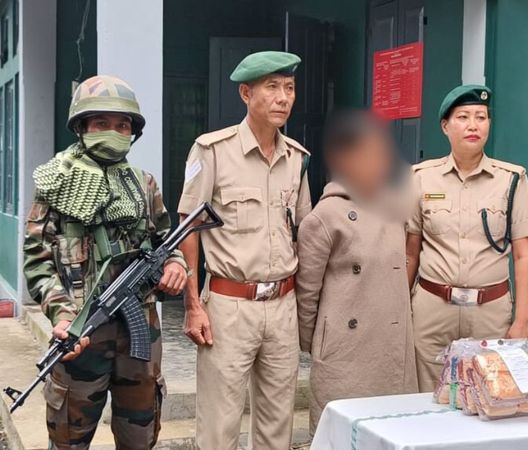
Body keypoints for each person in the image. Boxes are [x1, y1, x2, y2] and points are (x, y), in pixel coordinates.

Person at [22, 75, 188, 449]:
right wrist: (62, 314)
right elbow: (37, 259)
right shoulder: (55, 184)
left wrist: (176, 265)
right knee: (68, 439)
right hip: (80, 333)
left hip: (139, 335)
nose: (114, 132)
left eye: (122, 125)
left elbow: (166, 241)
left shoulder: (144, 185)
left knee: (139, 438)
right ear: (81, 127)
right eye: (101, 123)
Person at [177, 51, 311, 450]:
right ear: (246, 93)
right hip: (228, 306)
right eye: (272, 87)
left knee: (277, 423)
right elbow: (188, 229)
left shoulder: (297, 159)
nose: (283, 98)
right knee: (220, 424)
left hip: (283, 305)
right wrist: (192, 305)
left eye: (289, 88)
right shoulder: (212, 151)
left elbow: (303, 232)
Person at [405, 85, 528, 392]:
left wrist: (521, 321)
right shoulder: (421, 178)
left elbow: (524, 256)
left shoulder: (512, 179)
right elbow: (411, 252)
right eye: (463, 117)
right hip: (432, 310)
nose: (473, 125)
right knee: (430, 397)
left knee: (489, 398)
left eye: (481, 117)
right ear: (445, 126)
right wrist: (401, 312)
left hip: (489, 312)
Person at [296, 110, 418, 433]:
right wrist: (321, 341)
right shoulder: (325, 216)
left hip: (390, 348)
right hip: (345, 351)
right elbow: (307, 294)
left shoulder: (395, 207)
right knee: (343, 433)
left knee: (393, 431)